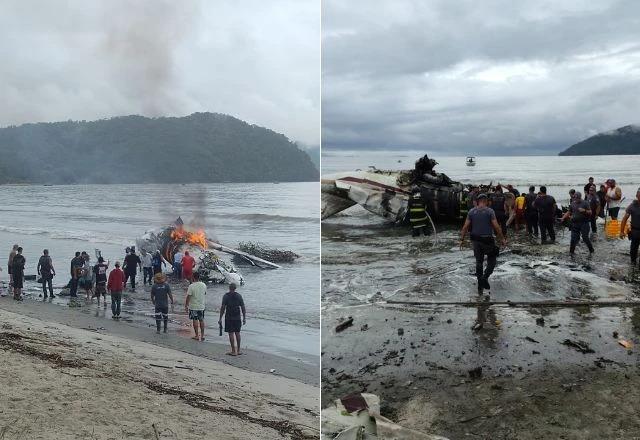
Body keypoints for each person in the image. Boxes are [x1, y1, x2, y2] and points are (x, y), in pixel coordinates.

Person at [460, 194, 507, 294]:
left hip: (475, 240)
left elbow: (465, 227)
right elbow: (496, 227)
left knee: (479, 261)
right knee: (492, 260)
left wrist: (462, 239)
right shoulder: (490, 211)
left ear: (478, 201)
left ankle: (479, 285)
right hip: (487, 240)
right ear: (486, 201)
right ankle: (485, 277)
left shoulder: (471, 211)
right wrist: (502, 238)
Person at [218, 282, 246, 356]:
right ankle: (239, 350)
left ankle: (233, 351)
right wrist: (244, 318)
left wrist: (220, 318)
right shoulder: (239, 296)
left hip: (229, 317)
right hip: (237, 317)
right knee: (237, 333)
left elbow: (223, 308)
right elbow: (243, 307)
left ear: (229, 288)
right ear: (235, 288)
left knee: (231, 333)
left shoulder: (226, 296)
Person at [620, 187, 640, 265]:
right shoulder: (632, 206)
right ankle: (633, 266)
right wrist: (621, 231)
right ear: (636, 195)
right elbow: (624, 219)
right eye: (639, 194)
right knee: (633, 251)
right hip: (635, 231)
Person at [185, 272, 207, 341]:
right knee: (201, 320)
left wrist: (186, 305)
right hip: (201, 305)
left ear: (193, 277)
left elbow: (188, 296)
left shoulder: (191, 286)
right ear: (199, 277)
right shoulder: (204, 285)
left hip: (193, 306)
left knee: (195, 320)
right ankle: (202, 335)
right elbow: (205, 293)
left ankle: (197, 335)